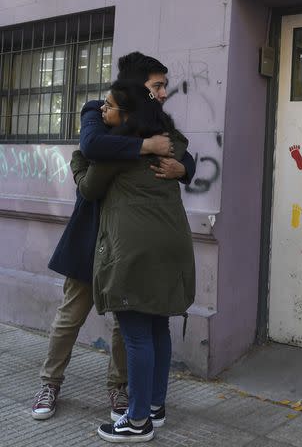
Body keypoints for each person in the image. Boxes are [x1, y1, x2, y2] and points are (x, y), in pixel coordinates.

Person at [32, 52, 196, 421]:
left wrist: (182, 168)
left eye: (165, 86)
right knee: (70, 316)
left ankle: (120, 388)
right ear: (139, 88)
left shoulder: (154, 125)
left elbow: (187, 155)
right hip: (91, 236)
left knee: (127, 323)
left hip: (124, 242)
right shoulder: (98, 112)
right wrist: (144, 148)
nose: (164, 93)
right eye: (157, 86)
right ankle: (50, 382)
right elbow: (89, 150)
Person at [71, 80, 196, 442]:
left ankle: (137, 419)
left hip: (134, 252)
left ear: (126, 117)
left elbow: (89, 188)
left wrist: (79, 162)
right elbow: (187, 161)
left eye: (110, 106)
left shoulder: (116, 154)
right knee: (158, 327)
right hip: (171, 244)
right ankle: (155, 408)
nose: (103, 111)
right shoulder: (169, 145)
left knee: (136, 334)